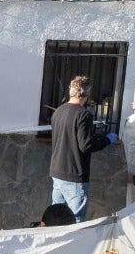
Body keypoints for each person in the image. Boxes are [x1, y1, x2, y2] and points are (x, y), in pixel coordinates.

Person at [48, 75, 112, 222]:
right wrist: (107, 140)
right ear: (86, 94)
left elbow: (69, 137)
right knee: (76, 221)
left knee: (56, 220)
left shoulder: (58, 111)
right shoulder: (83, 114)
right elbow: (86, 145)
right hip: (74, 175)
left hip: (57, 171)